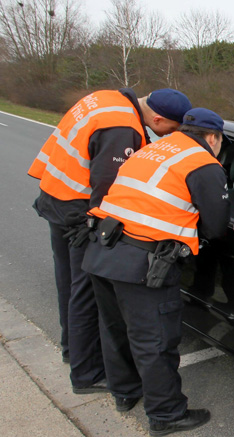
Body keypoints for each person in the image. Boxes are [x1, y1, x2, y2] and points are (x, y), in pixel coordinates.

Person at [27, 87, 191, 393]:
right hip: (79, 211)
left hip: (57, 197)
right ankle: (87, 374)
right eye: (172, 129)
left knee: (69, 284)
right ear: (157, 118)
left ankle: (72, 351)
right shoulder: (122, 127)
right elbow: (109, 190)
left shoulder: (106, 99)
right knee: (87, 293)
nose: (170, 136)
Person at [82, 108, 229, 436]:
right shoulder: (204, 163)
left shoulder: (153, 148)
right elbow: (217, 227)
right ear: (213, 137)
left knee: (115, 328)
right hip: (143, 263)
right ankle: (166, 415)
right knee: (154, 340)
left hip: (102, 249)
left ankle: (125, 392)